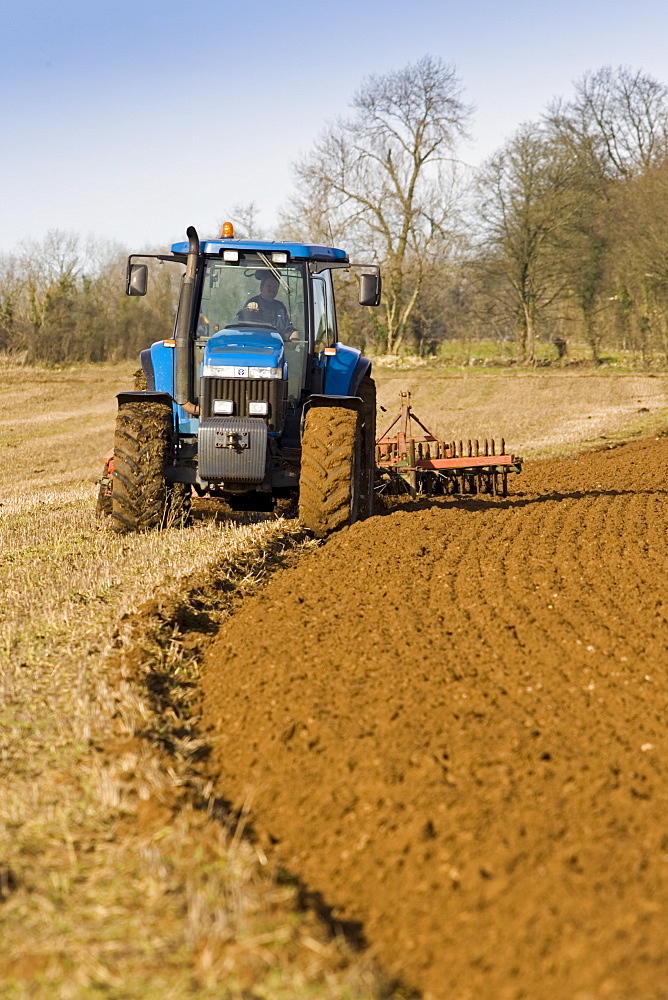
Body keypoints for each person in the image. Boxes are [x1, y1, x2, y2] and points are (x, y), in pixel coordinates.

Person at [238, 270, 299, 340]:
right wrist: (250, 309)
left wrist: (293, 334)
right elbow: (245, 326)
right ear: (261, 287)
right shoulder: (253, 303)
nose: (272, 289)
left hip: (278, 344)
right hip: (259, 344)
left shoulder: (280, 307)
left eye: (275, 286)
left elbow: (288, 328)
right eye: (269, 286)